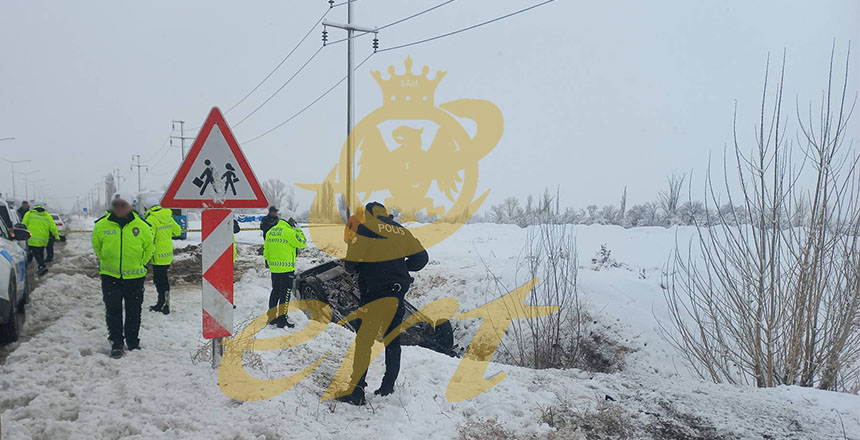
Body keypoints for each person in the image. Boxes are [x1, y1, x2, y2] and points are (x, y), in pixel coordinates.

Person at [337, 202, 428, 405]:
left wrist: (359, 266)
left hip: (374, 294)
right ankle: (388, 387)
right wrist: (400, 267)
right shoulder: (401, 230)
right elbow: (422, 258)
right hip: (397, 294)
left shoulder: (366, 228)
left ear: (369, 215)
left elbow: (352, 262)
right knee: (392, 341)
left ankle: (357, 391)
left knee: (364, 343)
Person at [92, 193, 154, 359]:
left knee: (134, 310)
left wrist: (140, 263)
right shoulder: (101, 225)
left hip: (134, 277)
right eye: (116, 204)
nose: (119, 208)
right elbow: (97, 246)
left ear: (131, 206)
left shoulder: (142, 226)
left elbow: (149, 248)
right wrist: (106, 260)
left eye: (123, 204)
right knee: (113, 310)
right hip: (110, 276)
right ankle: (117, 342)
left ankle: (133, 341)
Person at [262, 208, 306, 328]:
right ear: (290, 220)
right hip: (286, 269)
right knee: (285, 294)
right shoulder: (289, 232)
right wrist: (299, 230)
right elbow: (302, 243)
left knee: (275, 291)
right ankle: (282, 319)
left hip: (274, 269)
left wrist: (271, 264)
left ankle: (271, 317)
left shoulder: (271, 231)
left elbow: (266, 252)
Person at [143, 196, 182, 315]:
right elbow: (178, 231)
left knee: (160, 281)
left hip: (157, 255)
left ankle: (163, 304)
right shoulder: (168, 216)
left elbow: (149, 238)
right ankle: (163, 302)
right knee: (162, 279)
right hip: (167, 254)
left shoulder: (151, 219)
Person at [21, 201, 60, 276]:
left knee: (35, 252)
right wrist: (56, 236)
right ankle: (40, 267)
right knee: (40, 251)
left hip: (32, 238)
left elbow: (23, 225)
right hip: (43, 239)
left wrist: (22, 235)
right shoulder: (47, 215)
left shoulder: (29, 214)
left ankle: (42, 265)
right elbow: (53, 227)